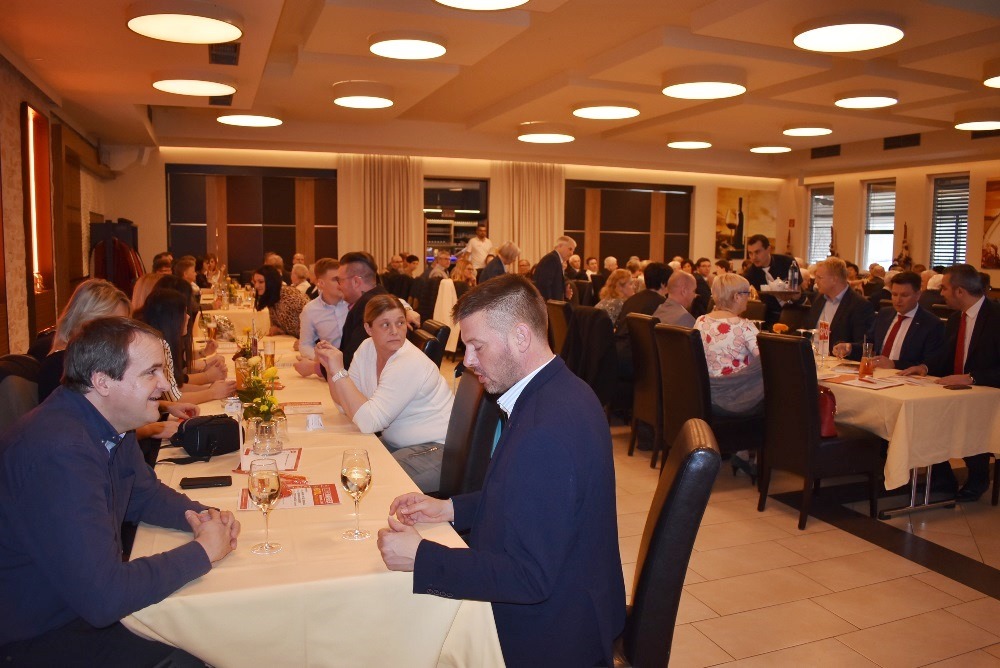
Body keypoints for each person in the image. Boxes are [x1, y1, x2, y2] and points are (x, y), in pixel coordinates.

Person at [376, 274, 625, 666]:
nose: (468, 361)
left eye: (477, 346)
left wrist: (422, 557)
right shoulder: (561, 390)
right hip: (573, 598)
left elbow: (528, 577)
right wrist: (449, 509)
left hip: (551, 634)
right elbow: (523, 495)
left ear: (520, 337)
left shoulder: (547, 429)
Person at [0, 317, 239, 666]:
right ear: (102, 381)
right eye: (152, 372)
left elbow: (144, 494)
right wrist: (202, 552)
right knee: (205, 646)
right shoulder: (61, 452)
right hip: (39, 635)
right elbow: (104, 597)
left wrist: (206, 517)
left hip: (72, 608)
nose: (165, 384)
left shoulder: (109, 422)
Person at [315, 296, 453, 492]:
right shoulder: (367, 348)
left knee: (364, 482)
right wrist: (331, 369)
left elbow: (368, 422)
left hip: (438, 450)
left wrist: (339, 371)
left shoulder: (408, 362)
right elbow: (345, 406)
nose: (395, 331)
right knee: (341, 464)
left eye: (400, 323)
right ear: (369, 329)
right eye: (385, 325)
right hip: (400, 445)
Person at [900, 264, 1000, 501]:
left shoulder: (996, 317)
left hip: (989, 393)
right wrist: (924, 367)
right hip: (960, 391)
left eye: (944, 288)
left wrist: (972, 377)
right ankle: (942, 478)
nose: (940, 293)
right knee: (928, 413)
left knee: (969, 418)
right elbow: (947, 354)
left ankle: (978, 477)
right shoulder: (956, 319)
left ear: (960, 291)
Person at [832, 271, 945, 369]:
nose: (898, 300)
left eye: (904, 295)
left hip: (905, 378)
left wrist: (894, 364)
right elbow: (870, 344)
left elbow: (931, 364)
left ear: (918, 295)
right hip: (877, 374)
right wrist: (849, 348)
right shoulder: (885, 314)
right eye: (894, 294)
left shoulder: (931, 324)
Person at [338, 252, 419, 371]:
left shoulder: (371, 309)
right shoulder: (378, 298)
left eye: (340, 280)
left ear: (356, 282)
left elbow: (350, 365)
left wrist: (318, 368)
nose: (339, 286)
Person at [807, 257, 876, 360]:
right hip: (811, 357)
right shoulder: (819, 299)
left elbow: (864, 344)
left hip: (837, 361)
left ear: (834, 279)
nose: (815, 281)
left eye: (819, 277)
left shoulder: (860, 305)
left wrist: (848, 348)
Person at [615, 262, 671, 380]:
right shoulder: (663, 304)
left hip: (617, 355)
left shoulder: (632, 299)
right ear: (663, 283)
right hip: (639, 364)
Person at [295, 258, 349, 377]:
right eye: (336, 279)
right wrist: (319, 358)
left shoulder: (353, 303)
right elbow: (305, 344)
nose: (342, 283)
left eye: (342, 279)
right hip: (331, 370)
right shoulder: (310, 310)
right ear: (321, 283)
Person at [742, 233, 801, 328]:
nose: (753, 257)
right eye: (750, 253)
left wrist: (790, 296)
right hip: (770, 316)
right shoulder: (751, 272)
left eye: (757, 252)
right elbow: (738, 289)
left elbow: (798, 293)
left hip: (794, 311)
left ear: (768, 249)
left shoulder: (787, 262)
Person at [253, 264, 309, 338]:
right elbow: (284, 326)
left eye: (261, 282)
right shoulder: (272, 296)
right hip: (293, 340)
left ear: (271, 281)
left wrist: (305, 341)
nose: (256, 286)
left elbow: (313, 322)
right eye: (255, 282)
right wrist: (277, 329)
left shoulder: (290, 297)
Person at [533, 235, 576, 301]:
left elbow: (554, 285)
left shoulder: (555, 259)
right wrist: (550, 305)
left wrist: (564, 292)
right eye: (570, 249)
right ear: (560, 246)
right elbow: (544, 286)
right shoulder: (552, 259)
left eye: (573, 250)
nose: (572, 253)